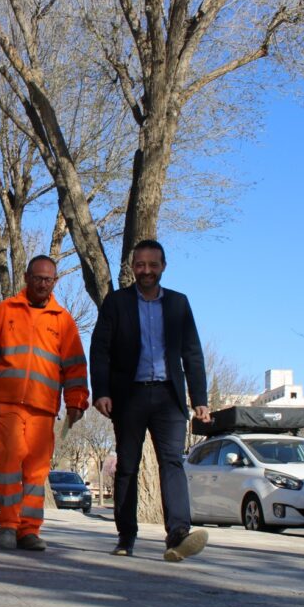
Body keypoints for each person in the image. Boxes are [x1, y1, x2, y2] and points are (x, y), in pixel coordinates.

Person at [89, 239, 210, 562]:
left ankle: (178, 534)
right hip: (129, 396)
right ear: (133, 267)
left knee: (172, 462)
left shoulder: (178, 304)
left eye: (153, 265)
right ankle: (126, 535)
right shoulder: (116, 303)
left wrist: (199, 398)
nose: (146, 271)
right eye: (140, 265)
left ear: (163, 267)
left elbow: (192, 352)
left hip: (169, 396)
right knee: (128, 464)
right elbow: (100, 349)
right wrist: (101, 391)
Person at [0, 255, 89, 551]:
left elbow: (75, 366)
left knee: (36, 470)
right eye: (37, 278)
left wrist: (76, 400)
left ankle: (29, 530)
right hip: (7, 402)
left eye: (48, 279)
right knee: (9, 461)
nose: (42, 284)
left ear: (55, 281)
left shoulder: (63, 320)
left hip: (43, 407)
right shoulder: (5, 310)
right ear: (26, 278)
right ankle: (8, 525)